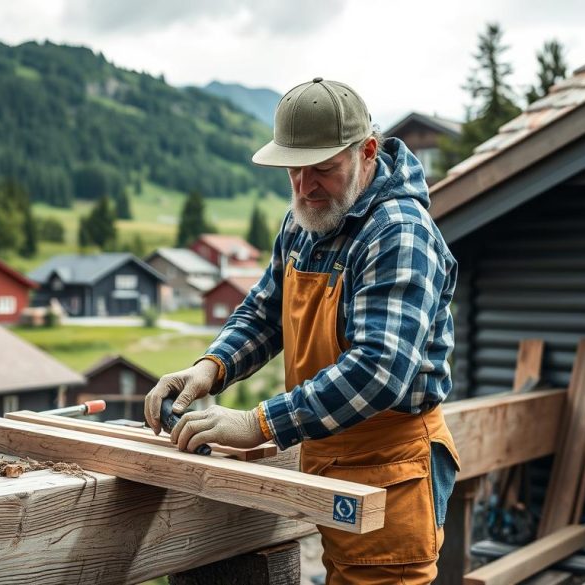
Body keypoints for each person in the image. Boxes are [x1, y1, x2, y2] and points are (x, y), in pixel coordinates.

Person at [144, 78, 461, 584]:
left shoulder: (400, 233)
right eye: (294, 170)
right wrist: (209, 368)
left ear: (367, 152)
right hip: (327, 447)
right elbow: (264, 313)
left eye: (323, 169)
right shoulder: (307, 219)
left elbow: (379, 371)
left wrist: (258, 424)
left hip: (390, 466)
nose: (305, 186)